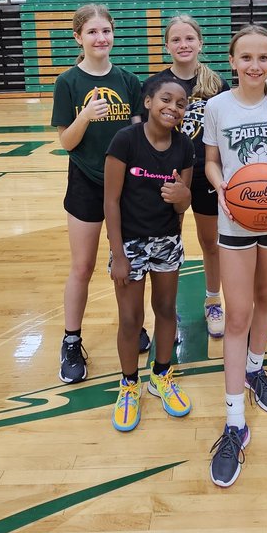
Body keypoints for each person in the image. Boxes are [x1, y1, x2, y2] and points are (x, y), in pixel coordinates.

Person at [203, 25, 267, 487]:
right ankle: (233, 422)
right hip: (235, 219)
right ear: (232, 60)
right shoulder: (217, 106)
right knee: (238, 314)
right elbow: (210, 161)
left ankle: (257, 369)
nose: (255, 65)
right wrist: (221, 185)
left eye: (264, 57)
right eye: (246, 57)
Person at [51, 4, 143, 385]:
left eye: (105, 30)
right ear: (78, 37)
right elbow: (67, 142)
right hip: (86, 182)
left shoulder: (128, 80)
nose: (100, 38)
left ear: (113, 33)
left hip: (126, 184)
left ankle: (132, 327)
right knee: (83, 267)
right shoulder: (68, 83)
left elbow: (140, 136)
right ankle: (71, 341)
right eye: (92, 32)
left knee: (129, 265)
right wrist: (85, 116)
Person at [104, 77, 196, 431]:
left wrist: (181, 198)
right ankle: (129, 384)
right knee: (130, 318)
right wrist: (118, 254)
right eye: (166, 99)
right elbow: (110, 200)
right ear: (148, 102)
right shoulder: (126, 140)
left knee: (166, 309)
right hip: (128, 242)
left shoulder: (185, 145)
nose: (173, 107)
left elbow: (183, 203)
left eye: (181, 103)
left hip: (166, 240)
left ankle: (161, 375)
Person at [143, 16, 230, 338]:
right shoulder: (154, 85)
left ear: (200, 42)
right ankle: (168, 312)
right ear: (167, 46)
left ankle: (213, 301)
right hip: (168, 176)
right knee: (168, 243)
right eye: (176, 40)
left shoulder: (217, 84)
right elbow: (145, 136)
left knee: (211, 242)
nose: (183, 45)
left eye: (189, 38)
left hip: (207, 174)